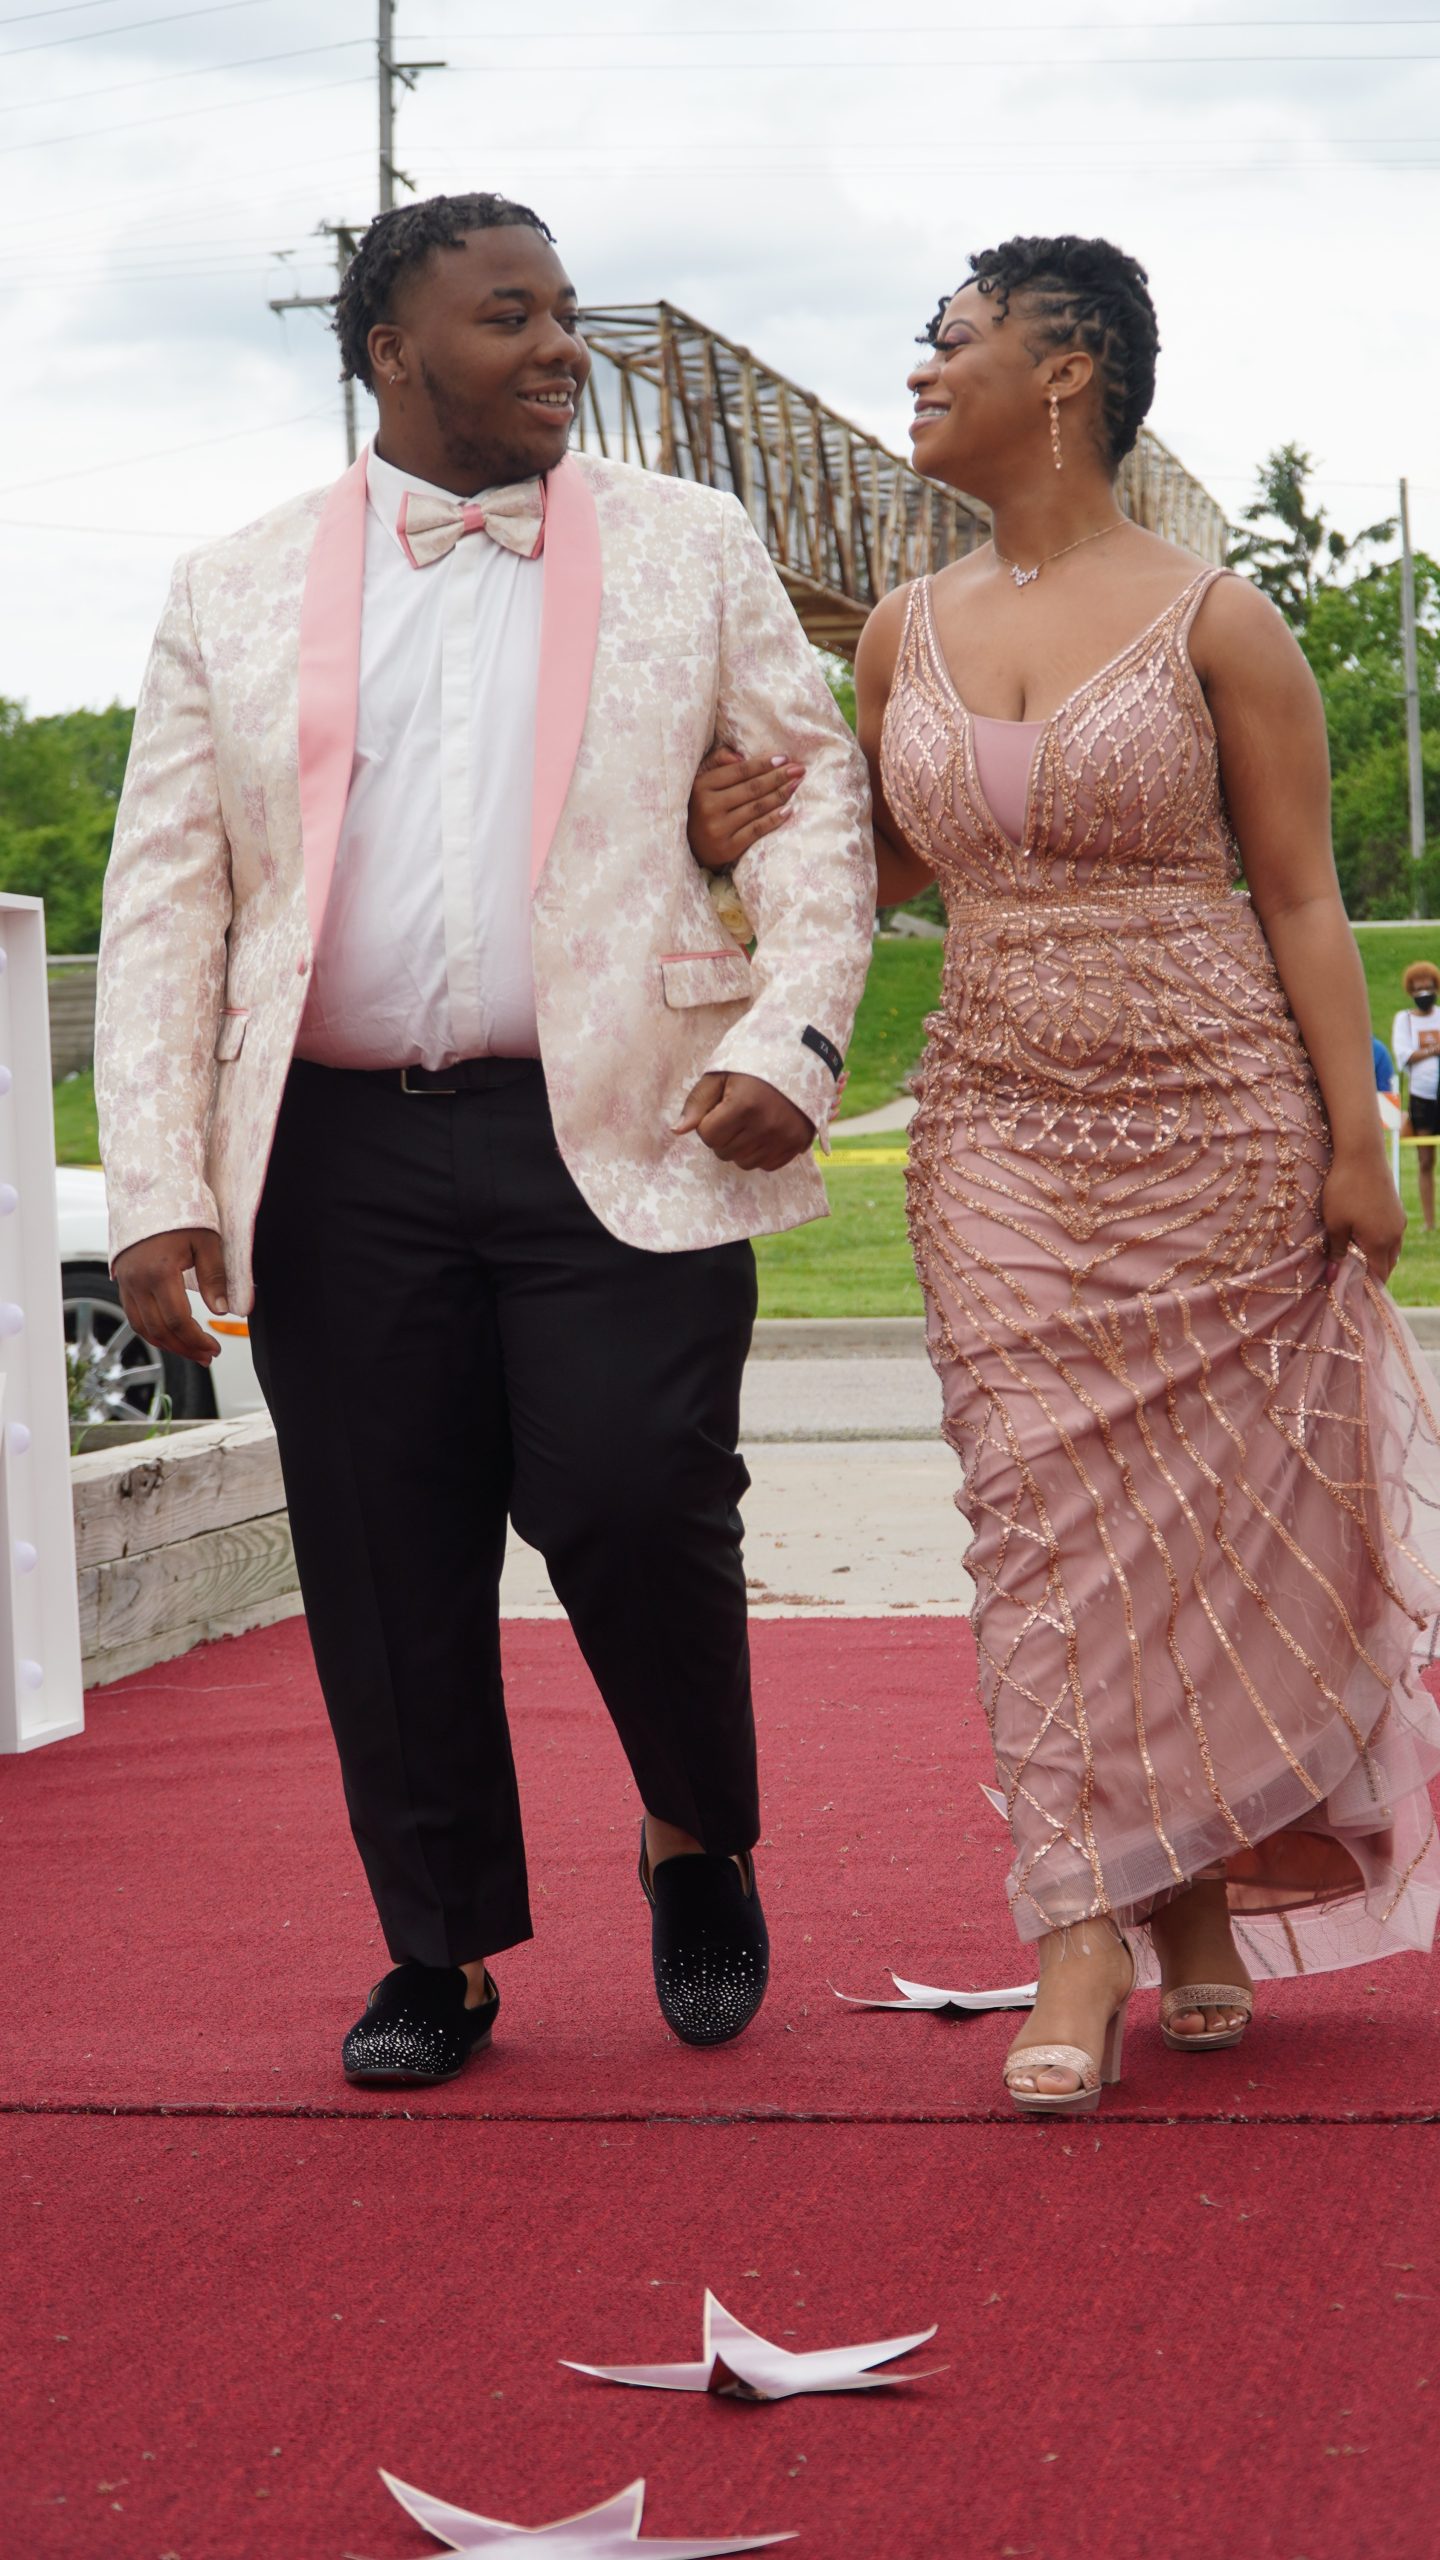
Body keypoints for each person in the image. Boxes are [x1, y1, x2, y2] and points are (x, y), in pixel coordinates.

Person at [95, 192, 874, 2086]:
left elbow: (807, 803)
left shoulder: (693, 544)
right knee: (385, 1559)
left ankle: (696, 1835)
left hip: (628, 1118)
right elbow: (170, 902)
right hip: (335, 1157)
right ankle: (434, 1953)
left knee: (637, 1497)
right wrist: (156, 1186)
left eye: (564, 312)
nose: (560, 348)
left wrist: (795, 1030)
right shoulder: (228, 585)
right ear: (391, 351)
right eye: (509, 316)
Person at [690, 233, 1440, 2117]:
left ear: (1067, 369)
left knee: (1201, 1531)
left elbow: (1302, 895)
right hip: (998, 1128)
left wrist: (1359, 1141)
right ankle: (1082, 1926)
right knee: (1040, 1526)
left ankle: (1190, 1895)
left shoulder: (1221, 622)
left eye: (953, 340)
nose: (918, 369)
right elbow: (873, 873)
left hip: (1219, 1124)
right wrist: (726, 845)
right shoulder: (896, 631)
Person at [1393, 961, 1440, 1230]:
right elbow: (1404, 1054)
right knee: (1425, 1159)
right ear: (1411, 991)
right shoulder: (1405, 1020)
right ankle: (1429, 1222)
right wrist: (1433, 1050)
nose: (1424, 993)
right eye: (1419, 989)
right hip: (1420, 1095)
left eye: (1429, 988)